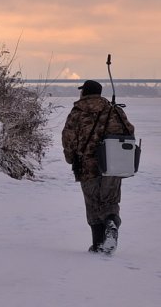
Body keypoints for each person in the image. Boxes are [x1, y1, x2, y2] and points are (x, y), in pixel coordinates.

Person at [61, 79, 136, 254]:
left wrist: (71, 158)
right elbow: (129, 132)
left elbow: (68, 138)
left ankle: (97, 245)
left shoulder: (77, 112)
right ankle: (111, 225)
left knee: (93, 204)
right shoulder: (114, 110)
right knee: (110, 201)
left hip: (87, 166)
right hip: (113, 164)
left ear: (84, 92)